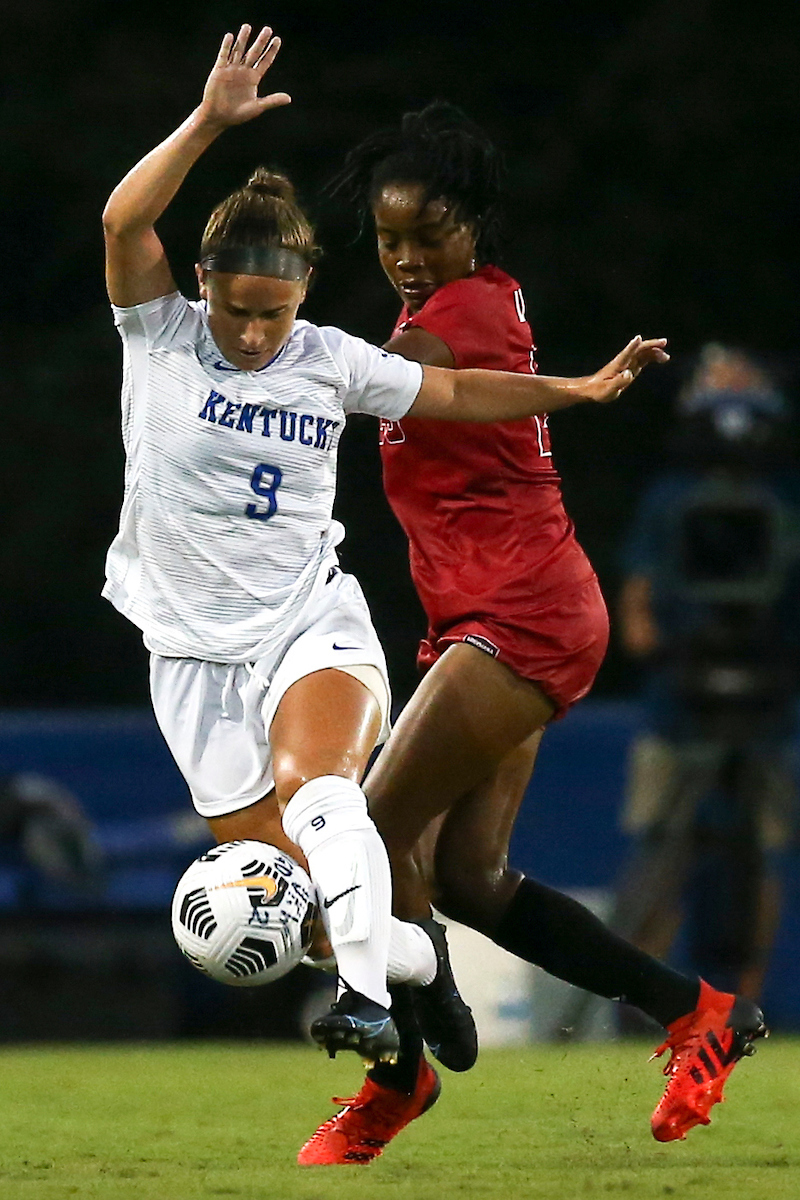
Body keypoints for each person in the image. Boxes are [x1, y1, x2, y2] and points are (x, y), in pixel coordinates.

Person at [100, 26, 662, 1076]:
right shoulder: (159, 333)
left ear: (304, 292)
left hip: (306, 623)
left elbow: (455, 392)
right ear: (202, 283)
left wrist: (576, 390)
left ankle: (364, 1005)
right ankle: (417, 964)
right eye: (236, 311)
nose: (255, 334)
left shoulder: (330, 360)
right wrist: (208, 123)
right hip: (187, 652)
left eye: (275, 313)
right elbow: (124, 220)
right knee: (306, 904)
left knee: (327, 800)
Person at [297, 103, 767, 1165]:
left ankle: (402, 1067)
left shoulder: (451, 317)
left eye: (428, 234)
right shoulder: (471, 301)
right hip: (499, 613)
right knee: (468, 877)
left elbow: (392, 374)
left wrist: (255, 355)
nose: (406, 258)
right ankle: (698, 1013)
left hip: (518, 614)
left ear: (472, 227)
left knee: (365, 835)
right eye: (388, 239)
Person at [617, 345, 800, 1000]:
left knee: (764, 852)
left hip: (768, 703)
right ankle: (651, 1000)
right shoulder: (670, 497)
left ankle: (743, 1003)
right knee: (660, 852)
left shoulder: (785, 496)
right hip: (679, 700)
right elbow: (637, 615)